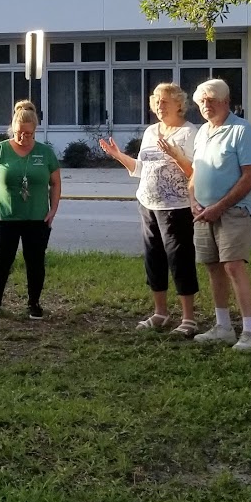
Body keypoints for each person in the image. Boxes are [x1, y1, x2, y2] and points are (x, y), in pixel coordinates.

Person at [100, 83, 201, 336]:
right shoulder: (151, 132)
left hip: (177, 207)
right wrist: (118, 156)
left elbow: (195, 172)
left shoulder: (190, 133)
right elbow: (141, 169)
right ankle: (161, 313)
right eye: (156, 101)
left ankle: (188, 318)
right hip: (147, 204)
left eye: (164, 101)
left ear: (179, 104)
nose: (159, 105)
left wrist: (177, 155)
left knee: (179, 258)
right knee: (153, 258)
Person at [188, 79, 251, 351]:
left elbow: (250, 177)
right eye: (201, 102)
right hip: (203, 212)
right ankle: (223, 327)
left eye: (212, 100)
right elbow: (195, 173)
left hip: (235, 210)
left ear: (225, 101)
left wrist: (219, 206)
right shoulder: (201, 133)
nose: (206, 106)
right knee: (213, 267)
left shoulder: (242, 131)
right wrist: (193, 201)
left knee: (233, 265)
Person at [0, 100, 60, 319]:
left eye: (28, 134)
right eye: (18, 133)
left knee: (35, 261)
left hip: (37, 218)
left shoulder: (45, 153)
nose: (23, 138)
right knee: (1, 261)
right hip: (5, 217)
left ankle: (34, 303)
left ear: (35, 130)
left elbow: (55, 183)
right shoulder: (0, 150)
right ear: (12, 129)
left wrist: (52, 210)